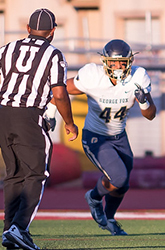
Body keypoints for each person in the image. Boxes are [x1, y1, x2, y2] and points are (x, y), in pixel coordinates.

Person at [47, 39, 156, 235]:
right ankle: (94, 197)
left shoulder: (138, 77)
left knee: (122, 185)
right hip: (96, 137)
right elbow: (59, 91)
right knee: (119, 177)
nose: (118, 66)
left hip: (120, 136)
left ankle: (110, 218)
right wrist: (51, 114)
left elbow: (150, 115)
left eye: (122, 62)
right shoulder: (92, 76)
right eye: (113, 62)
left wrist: (144, 102)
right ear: (105, 62)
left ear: (129, 61)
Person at [0, 8, 78, 250]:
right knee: (37, 174)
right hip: (29, 114)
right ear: (53, 31)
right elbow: (59, 92)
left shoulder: (7, 48)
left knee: (14, 174)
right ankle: (20, 228)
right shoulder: (53, 54)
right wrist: (69, 122)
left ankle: (9, 232)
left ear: (28, 29)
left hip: (2, 113)